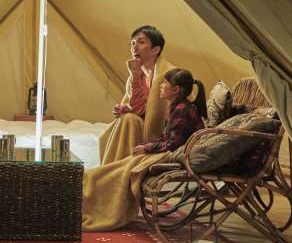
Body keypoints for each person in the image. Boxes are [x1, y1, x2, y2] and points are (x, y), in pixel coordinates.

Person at [82, 68, 207, 231]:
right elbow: (168, 138)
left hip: (174, 156)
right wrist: (146, 147)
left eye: (165, 83)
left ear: (176, 90)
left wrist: (147, 148)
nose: (161, 86)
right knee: (122, 165)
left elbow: (173, 143)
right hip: (170, 152)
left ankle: (100, 205)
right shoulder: (178, 106)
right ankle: (92, 189)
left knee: (123, 169)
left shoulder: (182, 109)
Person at [98, 25, 174, 165]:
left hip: (161, 133)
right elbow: (137, 104)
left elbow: (169, 112)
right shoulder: (136, 75)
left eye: (141, 42)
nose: (134, 47)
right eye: (132, 43)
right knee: (112, 130)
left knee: (129, 120)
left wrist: (132, 111)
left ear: (156, 49)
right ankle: (115, 167)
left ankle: (116, 169)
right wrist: (125, 108)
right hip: (140, 126)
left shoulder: (170, 75)